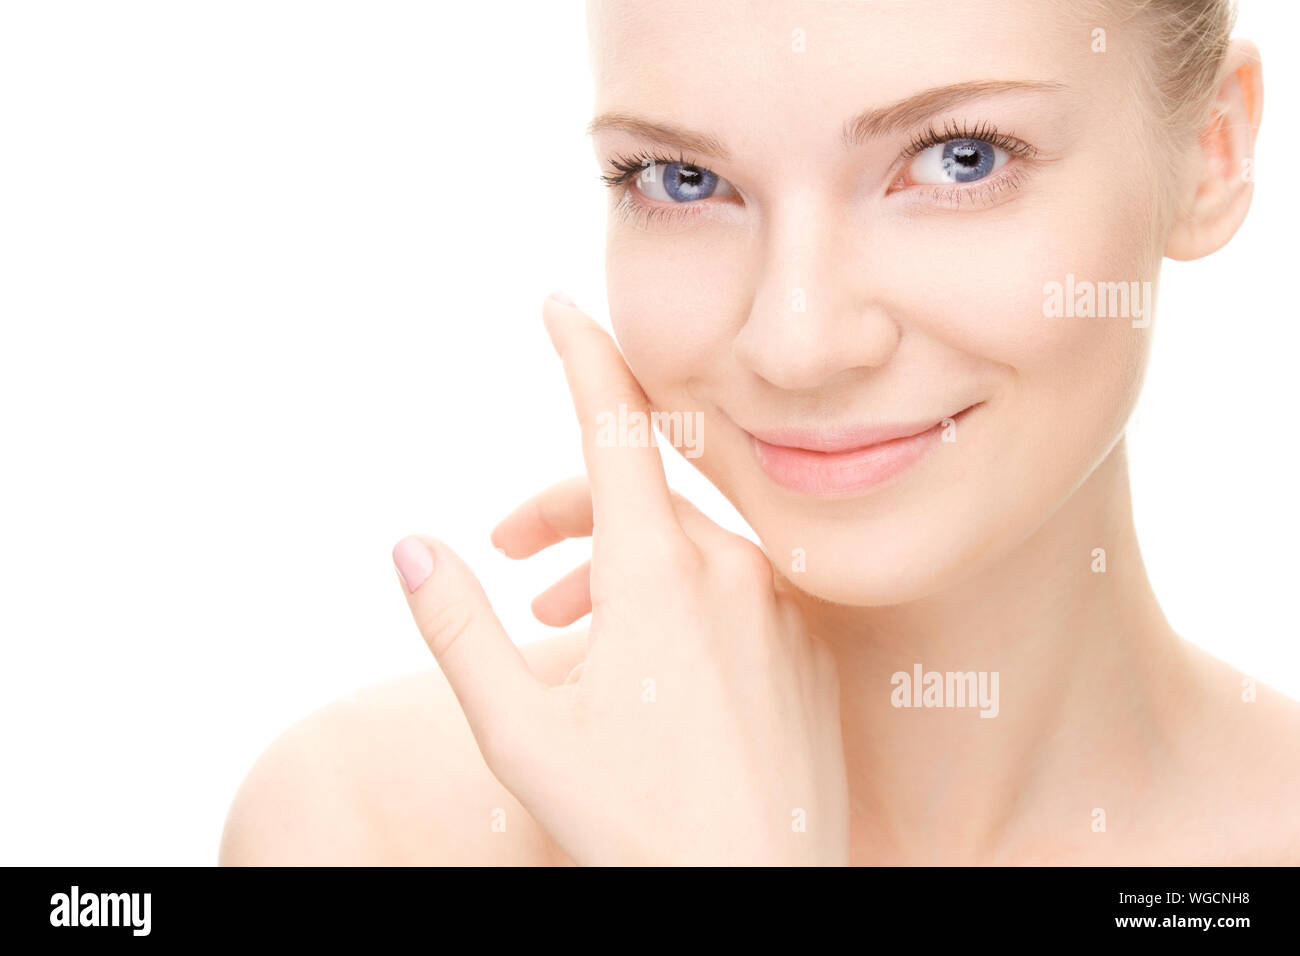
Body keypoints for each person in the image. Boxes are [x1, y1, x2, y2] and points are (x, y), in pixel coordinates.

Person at [219, 0, 1300, 865]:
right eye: (684, 181)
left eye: (957, 159)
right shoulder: (370, 829)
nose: (796, 340)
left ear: (1212, 149)